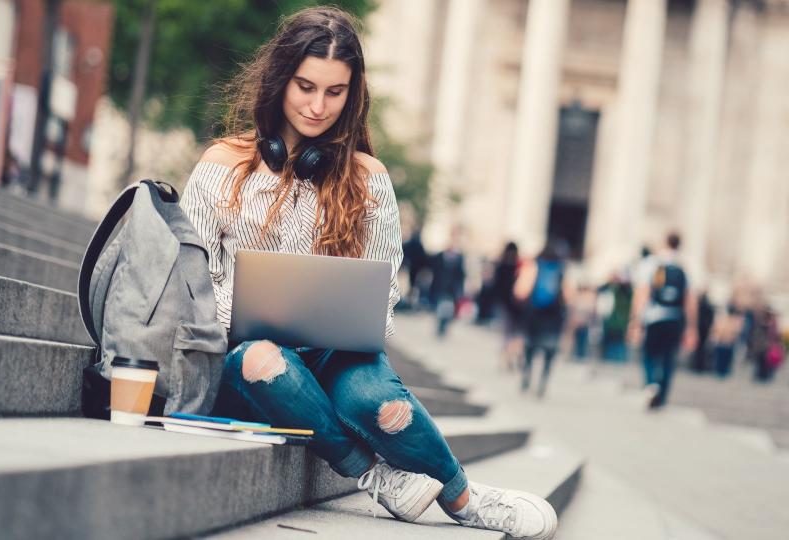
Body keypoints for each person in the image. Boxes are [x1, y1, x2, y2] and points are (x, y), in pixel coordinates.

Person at [179, 7, 557, 538]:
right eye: (305, 86)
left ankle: (466, 500)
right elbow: (191, 283)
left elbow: (380, 300)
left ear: (353, 95)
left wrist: (346, 324)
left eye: (335, 93)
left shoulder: (369, 179)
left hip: (335, 355)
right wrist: (246, 315)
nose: (317, 107)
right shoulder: (224, 164)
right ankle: (375, 476)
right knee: (266, 358)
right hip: (244, 359)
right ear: (279, 79)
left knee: (376, 402)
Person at [629, 232, 697, 409]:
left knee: (650, 354)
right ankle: (663, 395)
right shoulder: (685, 266)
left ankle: (651, 384)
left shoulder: (651, 263)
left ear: (664, 242)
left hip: (654, 317)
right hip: (675, 318)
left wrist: (635, 320)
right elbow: (690, 300)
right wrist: (691, 327)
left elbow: (642, 294)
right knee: (668, 357)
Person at [513, 240, 570, 398]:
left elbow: (521, 291)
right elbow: (567, 295)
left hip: (534, 316)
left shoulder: (533, 266)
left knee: (530, 349)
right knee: (549, 352)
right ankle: (543, 383)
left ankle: (526, 376)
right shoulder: (561, 269)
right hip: (553, 318)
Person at [492, 242, 525, 370]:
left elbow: (496, 287)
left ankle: (506, 359)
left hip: (505, 305)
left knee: (507, 333)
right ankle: (513, 357)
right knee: (517, 334)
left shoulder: (502, 265)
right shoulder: (519, 266)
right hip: (518, 306)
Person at [429, 235, 466, 338]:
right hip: (439, 287)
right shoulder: (439, 256)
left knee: (449, 310)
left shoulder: (459, 258)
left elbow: (461, 275)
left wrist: (460, 290)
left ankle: (444, 327)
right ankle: (440, 327)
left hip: (451, 290)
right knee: (439, 309)